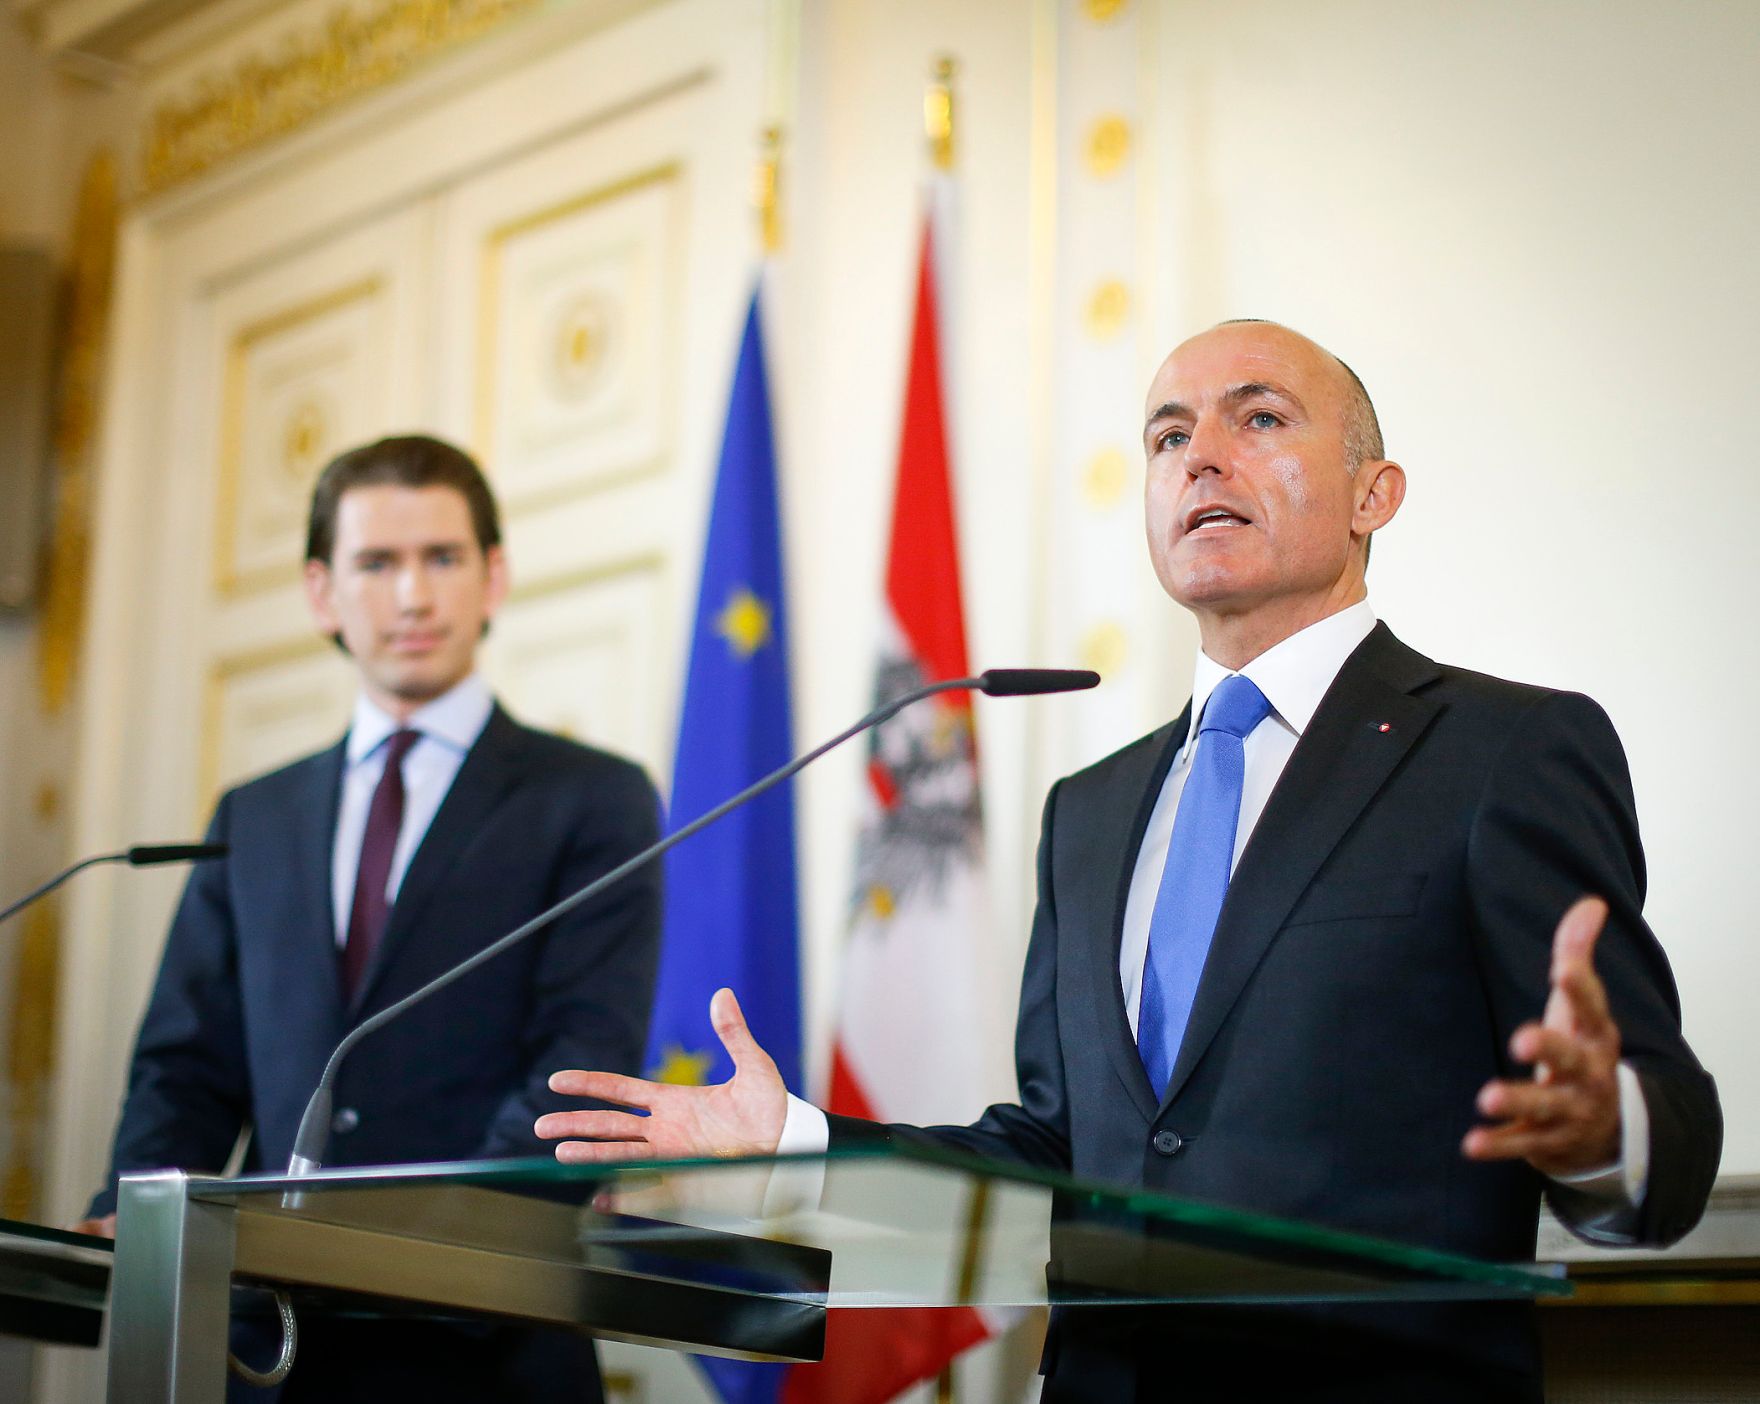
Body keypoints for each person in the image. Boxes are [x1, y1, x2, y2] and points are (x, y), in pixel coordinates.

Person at [534, 322, 1722, 1402]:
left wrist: (1599, 1128)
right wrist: (794, 1143)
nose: (1199, 456)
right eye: (1166, 436)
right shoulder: (1090, 814)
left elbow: (1665, 1134)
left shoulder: (1502, 750)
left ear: (1374, 494)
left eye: (1258, 418)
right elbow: (1060, 1152)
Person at [86, 434, 663, 1403]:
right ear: (322, 592)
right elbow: (185, 1067)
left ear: (493, 576)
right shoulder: (254, 815)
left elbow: (577, 1063)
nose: (413, 596)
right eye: (376, 563)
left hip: (483, 1345)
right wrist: (137, 1220)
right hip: (256, 1351)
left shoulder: (593, 799)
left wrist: (409, 1256)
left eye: (442, 558)